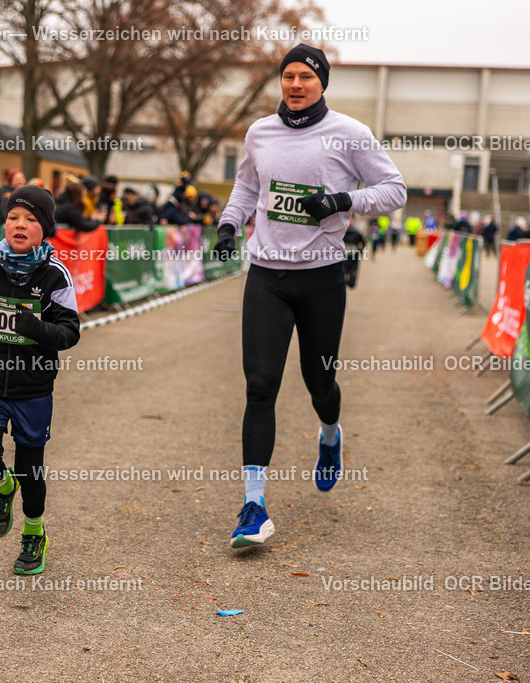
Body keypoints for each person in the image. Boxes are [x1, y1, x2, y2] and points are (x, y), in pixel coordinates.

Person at [213, 44, 406, 549]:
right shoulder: (260, 132)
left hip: (321, 278)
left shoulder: (350, 134)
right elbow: (247, 187)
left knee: (319, 380)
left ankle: (329, 433)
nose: (296, 85)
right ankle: (254, 505)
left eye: (306, 77)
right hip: (267, 277)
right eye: (288, 76)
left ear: (322, 84)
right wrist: (230, 223)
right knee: (260, 384)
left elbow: (394, 189)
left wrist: (344, 200)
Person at [0, 185, 80, 575]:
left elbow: (69, 333)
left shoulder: (55, 275)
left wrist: (36, 328)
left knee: (31, 471)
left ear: (45, 228)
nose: (20, 225)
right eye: (13, 217)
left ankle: (34, 533)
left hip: (33, 388)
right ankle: (3, 487)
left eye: (30, 219)